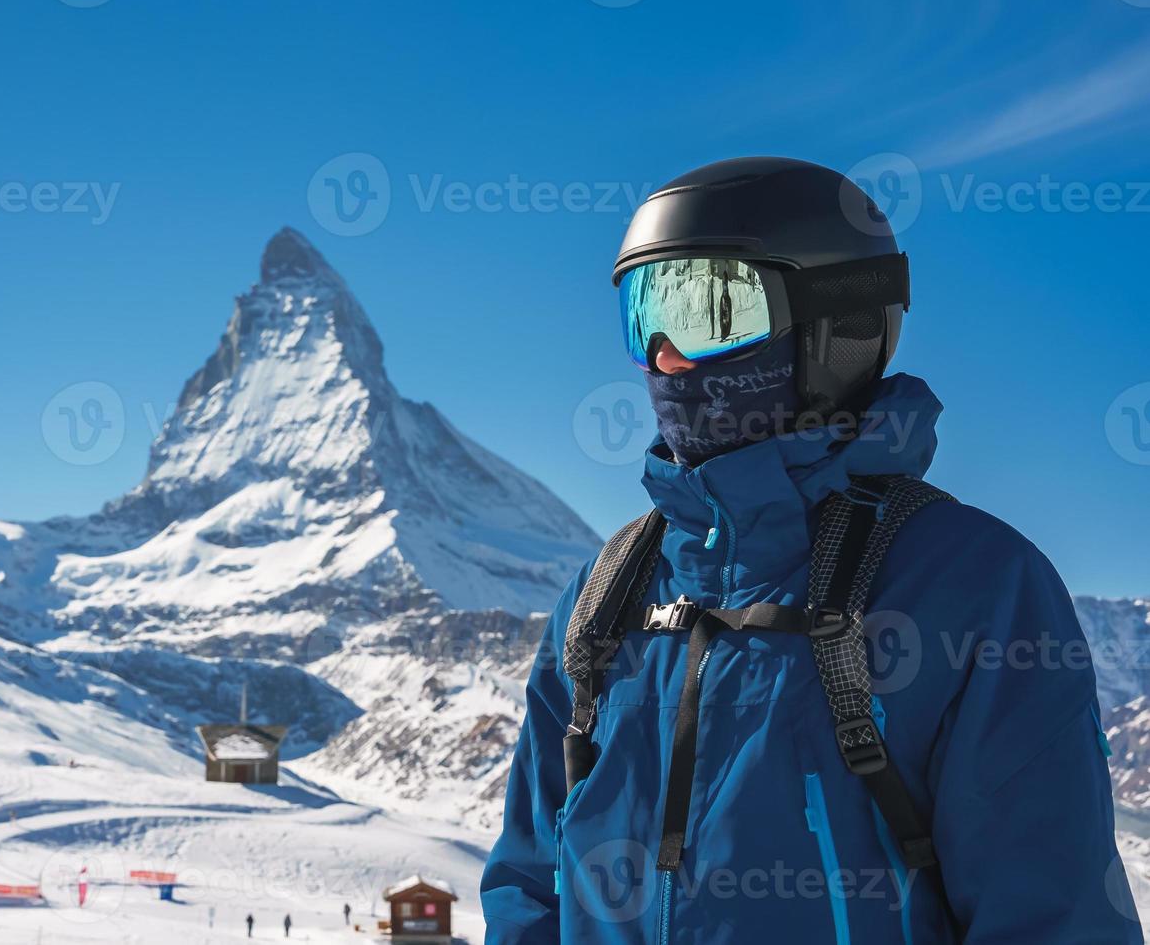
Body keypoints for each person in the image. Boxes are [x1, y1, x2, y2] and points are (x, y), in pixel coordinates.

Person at [480, 157, 1142, 943]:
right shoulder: (606, 591)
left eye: (709, 313)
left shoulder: (972, 584)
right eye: (645, 316)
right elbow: (529, 881)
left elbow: (1050, 915)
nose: (666, 360)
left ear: (836, 325)